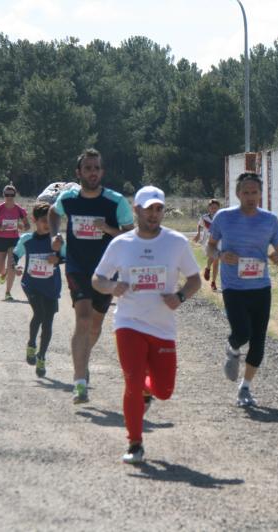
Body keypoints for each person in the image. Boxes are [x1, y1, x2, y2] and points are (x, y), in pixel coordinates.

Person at [92, 186, 201, 464]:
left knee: (164, 390)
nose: (154, 214)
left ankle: (148, 391)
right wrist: (112, 286)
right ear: (137, 210)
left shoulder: (176, 242)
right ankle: (135, 443)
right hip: (129, 322)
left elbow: (194, 280)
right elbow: (98, 279)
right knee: (132, 381)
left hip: (162, 326)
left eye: (159, 209)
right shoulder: (121, 244)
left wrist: (179, 297)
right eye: (149, 208)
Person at [49, 148, 134, 404]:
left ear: (102, 171)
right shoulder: (69, 198)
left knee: (95, 325)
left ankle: (83, 359)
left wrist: (108, 228)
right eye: (88, 168)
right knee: (83, 318)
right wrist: (55, 234)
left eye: (96, 168)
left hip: (107, 271)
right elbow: (54, 212)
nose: (93, 172)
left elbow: (130, 235)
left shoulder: (114, 201)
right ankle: (79, 381)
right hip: (77, 267)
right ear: (79, 172)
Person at [206, 172, 278, 407]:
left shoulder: (270, 220)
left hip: (261, 286)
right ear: (238, 194)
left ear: (261, 194)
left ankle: (245, 388)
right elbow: (209, 248)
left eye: (255, 192)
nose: (251, 197)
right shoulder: (223, 217)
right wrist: (221, 255)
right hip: (233, 286)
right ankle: (232, 348)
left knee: (259, 340)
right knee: (242, 332)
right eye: (246, 192)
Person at [12, 202, 65, 378]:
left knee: (48, 321)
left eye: (50, 221)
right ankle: (31, 343)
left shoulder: (56, 240)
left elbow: (65, 257)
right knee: (40, 314)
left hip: (50, 285)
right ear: (34, 220)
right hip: (31, 284)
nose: (47, 225)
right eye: (43, 221)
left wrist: (56, 259)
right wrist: (16, 266)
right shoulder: (27, 239)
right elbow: (15, 255)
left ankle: (41, 356)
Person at [0, 184, 30, 301]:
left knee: (11, 265)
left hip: (14, 240)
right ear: (3, 195)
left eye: (12, 194)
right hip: (0, 240)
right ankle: (4, 272)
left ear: (15, 195)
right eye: (7, 194)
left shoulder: (20, 210)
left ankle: (8, 292)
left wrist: (22, 226)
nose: (9, 197)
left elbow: (28, 226)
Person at [193, 198, 221, 291]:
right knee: (214, 257)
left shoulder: (222, 217)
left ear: (219, 208)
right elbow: (199, 225)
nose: (214, 209)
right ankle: (208, 268)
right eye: (212, 207)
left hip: (219, 241)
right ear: (209, 208)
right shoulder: (204, 217)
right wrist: (198, 233)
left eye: (216, 208)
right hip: (207, 241)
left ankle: (213, 282)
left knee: (216, 262)